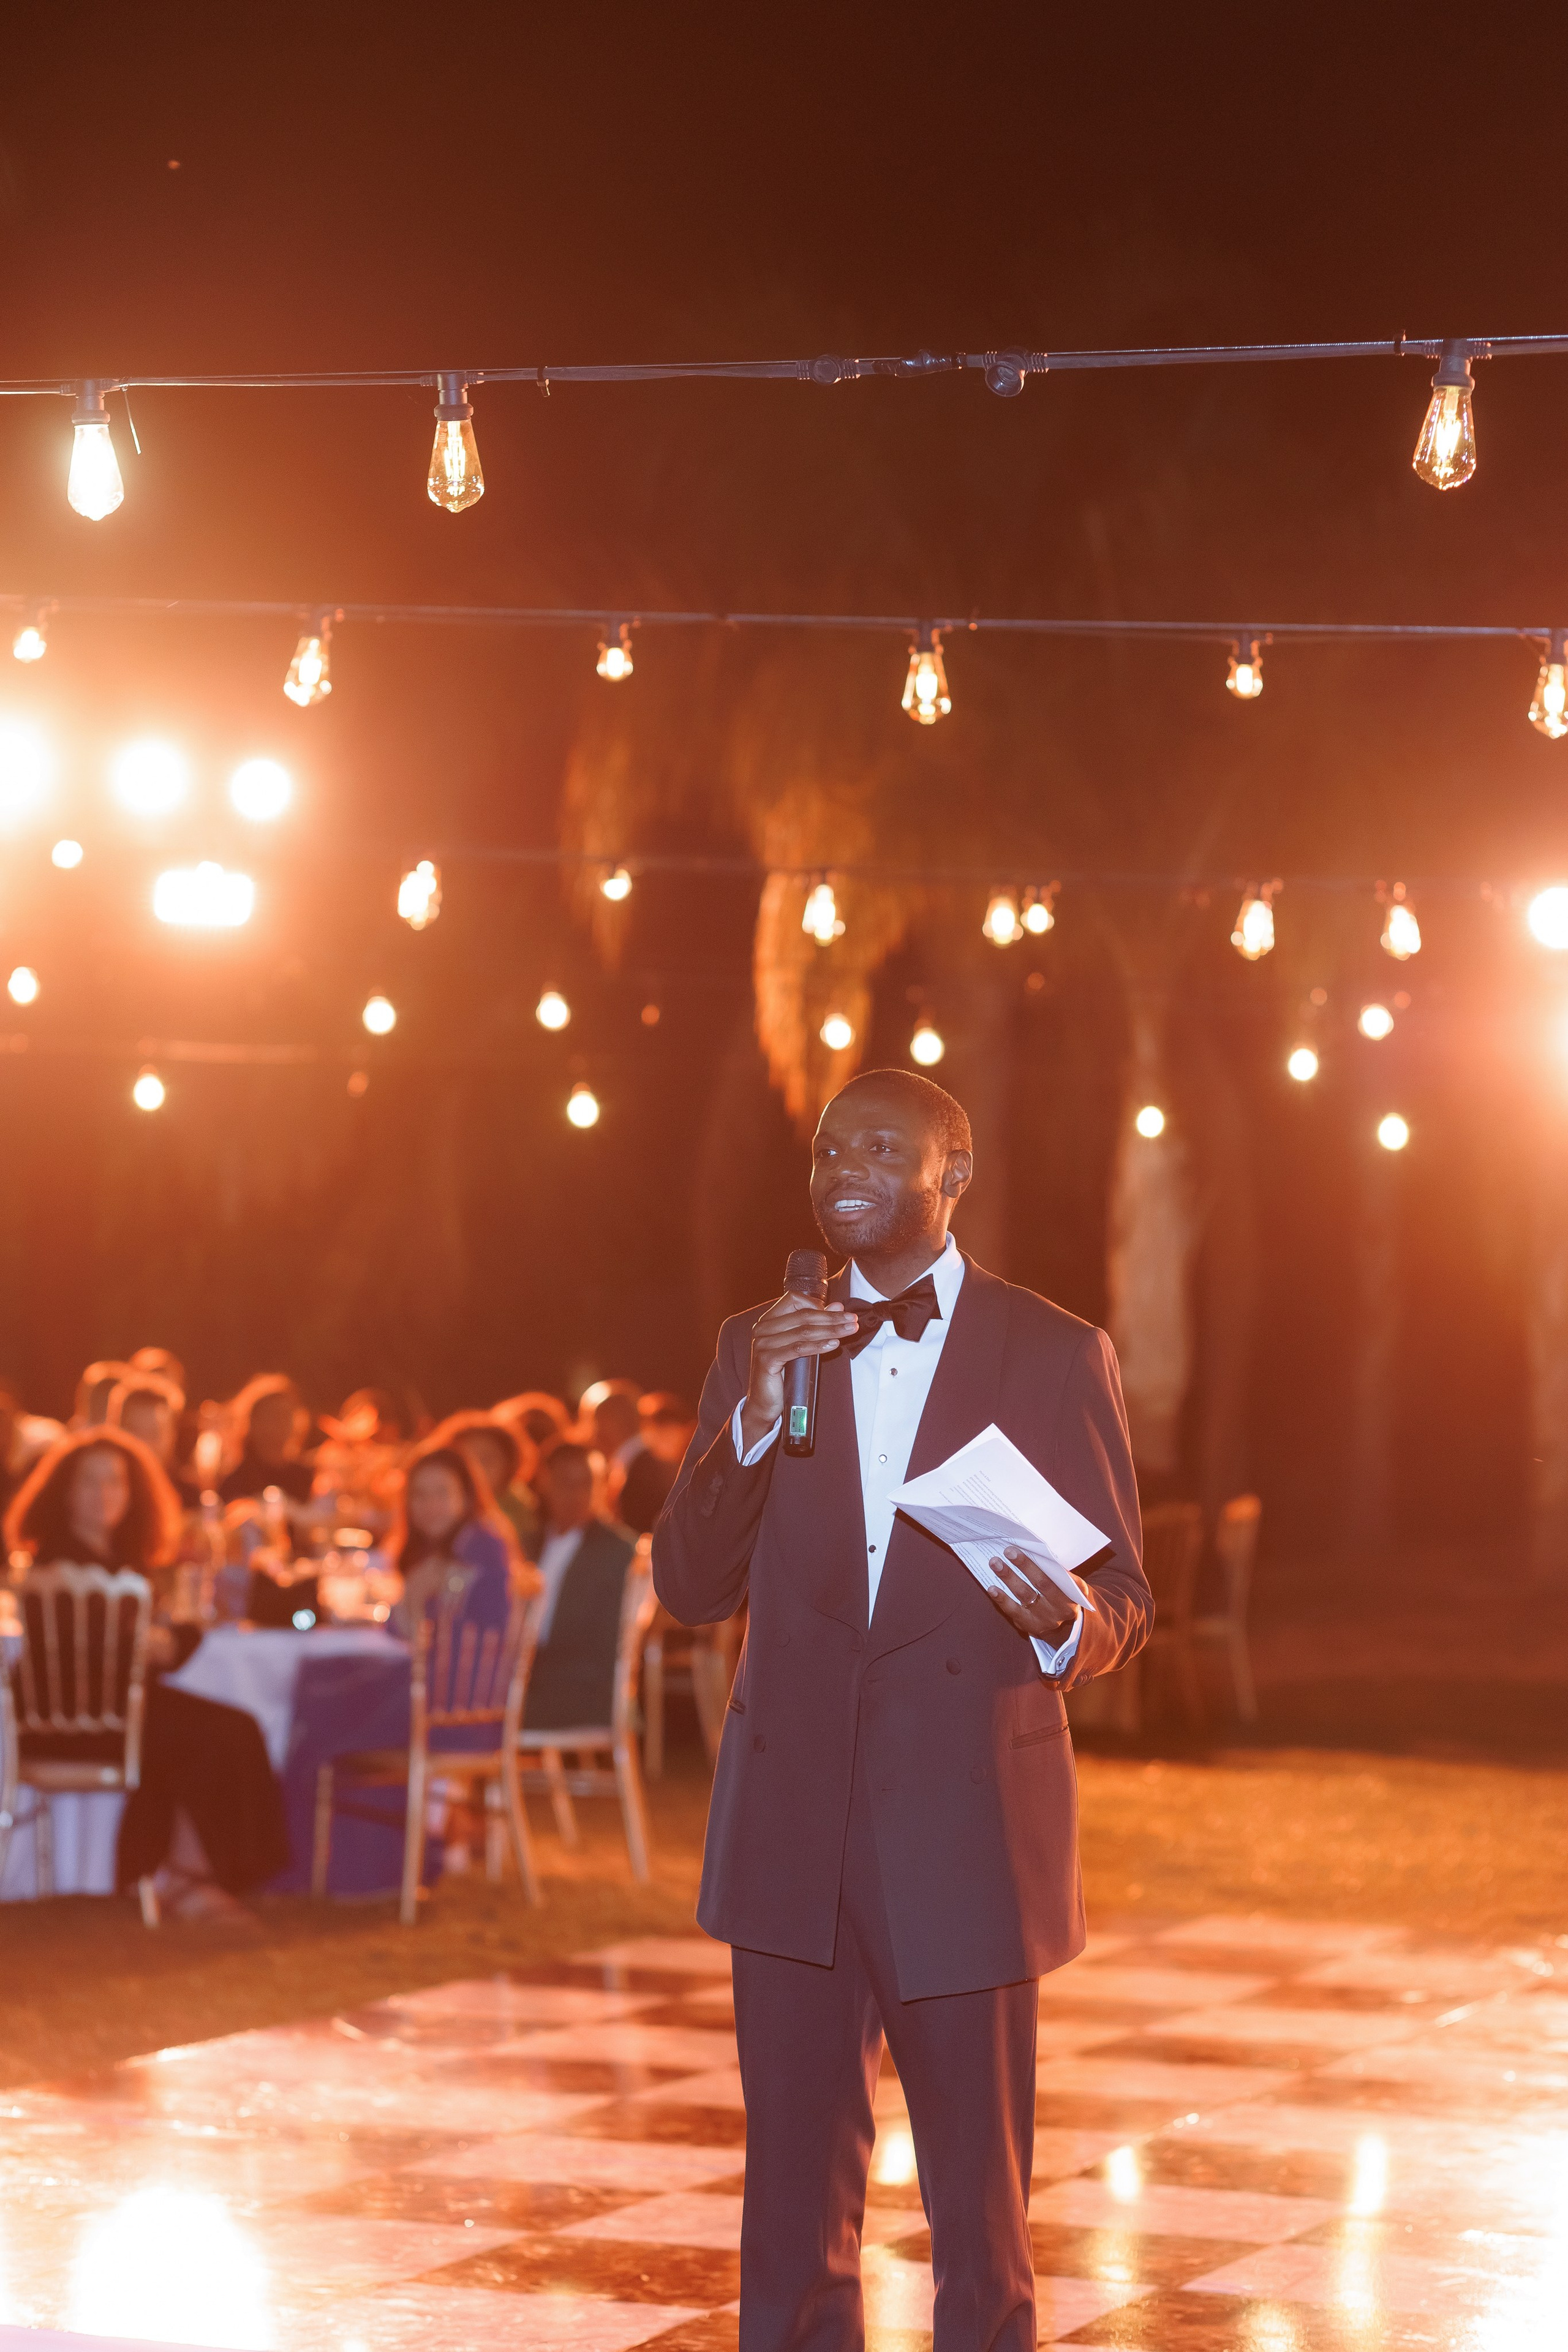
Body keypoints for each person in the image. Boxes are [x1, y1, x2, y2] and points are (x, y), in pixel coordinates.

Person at [653, 1068, 1152, 2352]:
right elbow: (688, 1584)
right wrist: (754, 1422)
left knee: (978, 2215)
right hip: (789, 1820)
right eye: (825, 1151)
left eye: (877, 1147)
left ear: (952, 1174)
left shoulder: (1050, 1353)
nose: (841, 1170)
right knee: (789, 2205)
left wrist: (1066, 1622)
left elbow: (1123, 1597)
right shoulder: (751, 1345)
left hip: (964, 1819)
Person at [4, 1428, 290, 1920]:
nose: (104, 1494)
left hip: (122, 1711)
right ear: (66, 1492)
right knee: (220, 1731)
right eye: (89, 1481)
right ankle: (187, 1874)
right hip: (86, 1721)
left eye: (114, 1481)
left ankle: (195, 1871)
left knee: (225, 1728)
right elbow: (138, 1650)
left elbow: (157, 1645)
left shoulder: (122, 1564)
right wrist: (175, 1637)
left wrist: (172, 1639)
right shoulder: (59, 1562)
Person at [523, 1436, 637, 1731]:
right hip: (533, 1678)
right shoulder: (528, 1545)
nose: (577, 1493)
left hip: (582, 1690)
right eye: (565, 1482)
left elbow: (601, 1643)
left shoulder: (618, 1552)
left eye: (588, 1483)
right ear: (543, 1483)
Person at [390, 1440, 537, 1639]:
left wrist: (423, 1595)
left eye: (442, 1493)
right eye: (420, 1495)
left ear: (466, 1497)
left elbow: (493, 1626)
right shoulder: (432, 1548)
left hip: (460, 1668)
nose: (430, 1505)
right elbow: (395, 1632)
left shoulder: (483, 1547)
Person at [431, 1410, 539, 1555]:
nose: (476, 1471)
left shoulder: (522, 1519)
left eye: (487, 1460)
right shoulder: (436, 1510)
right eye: (465, 1461)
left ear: (509, 1466)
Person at [219, 1374, 316, 1506]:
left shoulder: (307, 1477)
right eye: (272, 1416)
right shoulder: (236, 1482)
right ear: (251, 1423)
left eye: (286, 1416)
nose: (281, 1425)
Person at [615, 1392, 695, 1535]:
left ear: (685, 1430)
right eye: (659, 1433)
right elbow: (627, 1513)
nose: (665, 1441)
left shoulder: (696, 1464)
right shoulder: (639, 1467)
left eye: (669, 1433)